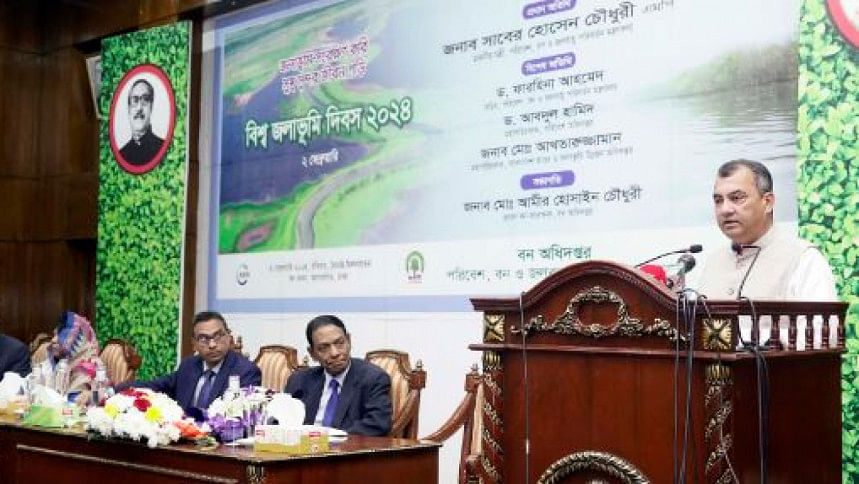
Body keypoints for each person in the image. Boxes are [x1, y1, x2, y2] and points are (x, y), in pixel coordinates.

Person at [698, 159, 838, 301]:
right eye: (718, 200)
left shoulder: (803, 259)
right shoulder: (713, 262)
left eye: (737, 198)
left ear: (768, 202)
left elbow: (821, 316)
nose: (725, 209)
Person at [116, 311, 261, 413]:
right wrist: (112, 391)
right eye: (204, 339)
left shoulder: (245, 371)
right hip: (184, 439)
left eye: (218, 336)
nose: (212, 345)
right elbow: (156, 386)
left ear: (229, 337)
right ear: (194, 344)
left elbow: (241, 418)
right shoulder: (189, 366)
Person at [285, 315, 392, 436]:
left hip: (346, 446)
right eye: (323, 348)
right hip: (303, 445)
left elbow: (377, 424)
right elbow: (282, 421)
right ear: (312, 353)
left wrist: (328, 438)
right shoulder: (299, 380)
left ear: (349, 341)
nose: (334, 353)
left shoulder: (373, 378)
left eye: (340, 343)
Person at [48, 312, 103, 404]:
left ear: (77, 339)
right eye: (54, 335)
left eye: (60, 336)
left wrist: (89, 397)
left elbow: (103, 398)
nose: (53, 340)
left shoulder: (91, 365)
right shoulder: (63, 361)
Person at [119, 78, 164, 165]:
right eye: (135, 100)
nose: (139, 108)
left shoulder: (163, 149)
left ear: (151, 107)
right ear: (129, 109)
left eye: (145, 99)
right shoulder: (122, 154)